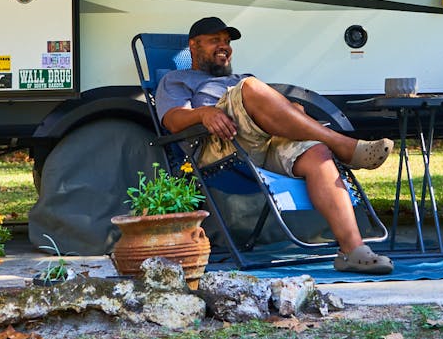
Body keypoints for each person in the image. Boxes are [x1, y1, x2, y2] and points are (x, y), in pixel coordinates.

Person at [156, 17, 395, 274]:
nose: (224, 46)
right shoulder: (176, 80)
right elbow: (172, 118)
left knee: (318, 153)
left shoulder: (241, 77)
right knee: (251, 87)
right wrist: (203, 114)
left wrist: (293, 113)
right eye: (215, 40)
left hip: (265, 143)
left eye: (227, 41)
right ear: (193, 45)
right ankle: (345, 146)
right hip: (221, 145)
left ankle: (353, 250)